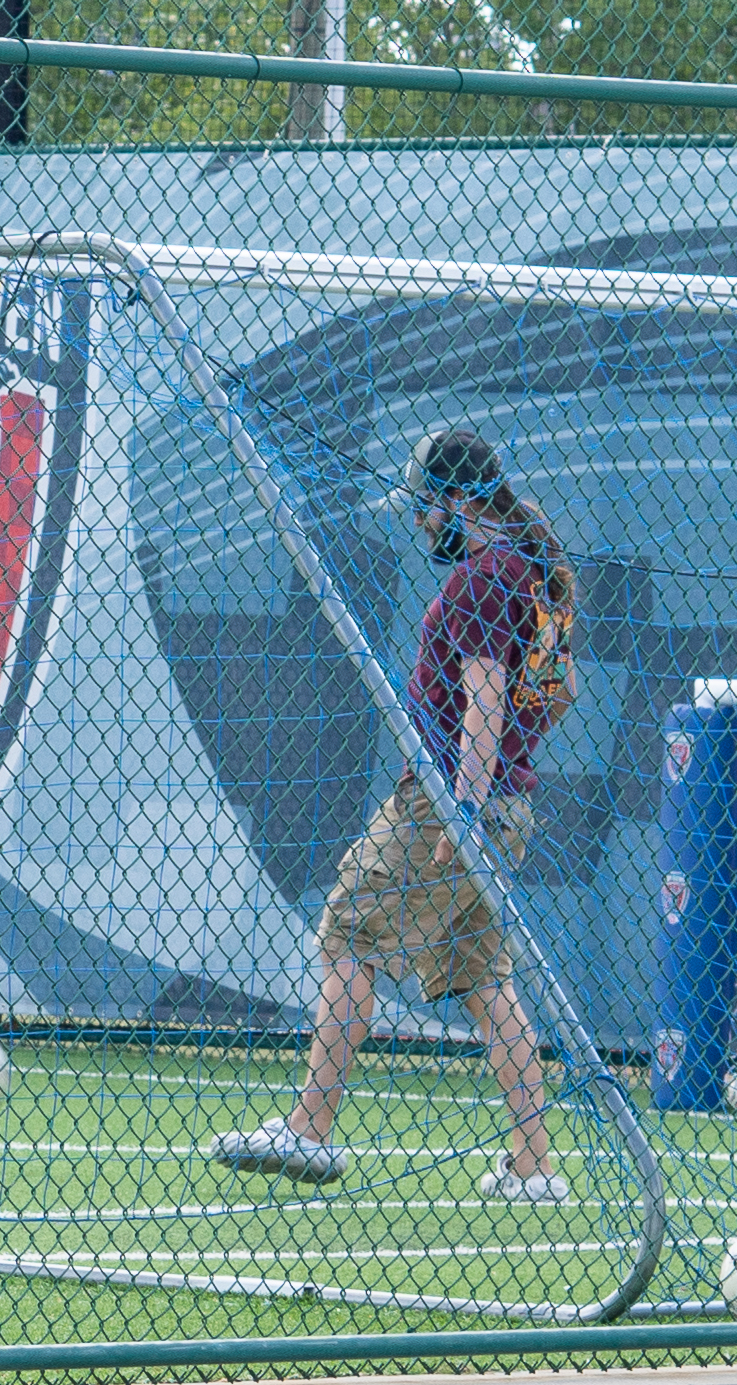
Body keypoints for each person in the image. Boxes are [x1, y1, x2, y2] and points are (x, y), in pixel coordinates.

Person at [215, 423, 575, 1199]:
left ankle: (310, 1128)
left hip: (448, 805)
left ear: (457, 500)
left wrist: (462, 813)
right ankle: (536, 1165)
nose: (420, 523)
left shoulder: (482, 581)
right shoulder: (529, 574)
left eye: (425, 508)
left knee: (348, 931)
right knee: (485, 983)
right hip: (504, 803)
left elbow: (482, 705)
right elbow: (543, 701)